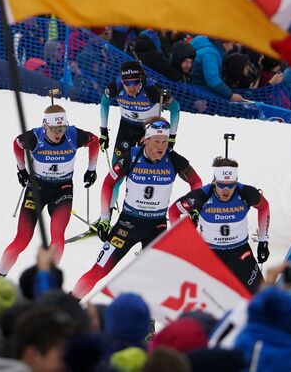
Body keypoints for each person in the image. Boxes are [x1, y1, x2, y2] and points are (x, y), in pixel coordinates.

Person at [72, 116, 202, 300]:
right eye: (156, 141)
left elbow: (196, 182)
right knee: (99, 270)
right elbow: (109, 184)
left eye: (165, 141)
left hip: (156, 228)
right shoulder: (131, 157)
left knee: (154, 278)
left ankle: (148, 327)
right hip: (127, 224)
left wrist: (194, 208)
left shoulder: (174, 160)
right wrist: (104, 218)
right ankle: (68, 305)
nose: (161, 147)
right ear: (145, 140)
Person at [0, 104, 99, 277]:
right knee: (22, 240)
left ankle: (49, 281)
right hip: (37, 188)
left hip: (63, 189)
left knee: (57, 237)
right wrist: (21, 169)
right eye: (54, 129)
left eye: (62, 128)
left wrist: (92, 169)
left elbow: (94, 140)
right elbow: (17, 143)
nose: (59, 133)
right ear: (45, 126)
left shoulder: (73, 135)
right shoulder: (35, 137)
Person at [170, 156, 270, 294]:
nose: (226, 190)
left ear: (236, 181)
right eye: (221, 185)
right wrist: (183, 240)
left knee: (264, 298)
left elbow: (264, 207)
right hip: (211, 255)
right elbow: (173, 211)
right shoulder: (201, 196)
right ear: (214, 181)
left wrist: (263, 241)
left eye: (231, 185)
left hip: (240, 253)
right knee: (208, 302)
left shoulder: (247, 193)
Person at [98, 60, 180, 219]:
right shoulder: (116, 86)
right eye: (127, 83)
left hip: (148, 133)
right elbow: (104, 101)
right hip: (126, 130)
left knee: (142, 175)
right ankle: (105, 217)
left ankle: (141, 214)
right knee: (116, 174)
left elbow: (175, 109)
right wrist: (103, 131)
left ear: (141, 80)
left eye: (135, 82)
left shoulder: (153, 90)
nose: (131, 87)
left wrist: (171, 137)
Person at [190, 36, 247, 101]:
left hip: (193, 88)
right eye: (231, 44)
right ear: (225, 43)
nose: (232, 48)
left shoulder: (201, 40)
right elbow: (212, 80)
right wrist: (231, 95)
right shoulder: (211, 54)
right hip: (199, 93)